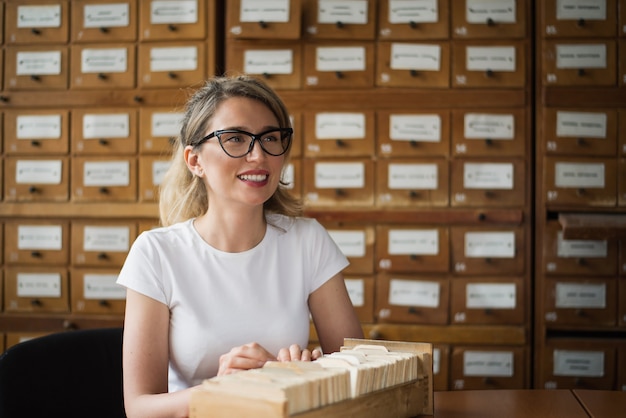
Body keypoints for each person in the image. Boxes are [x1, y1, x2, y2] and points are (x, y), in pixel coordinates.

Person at [116, 74, 364, 418]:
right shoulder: (156, 253)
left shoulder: (308, 241)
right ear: (194, 161)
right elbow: (140, 408)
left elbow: (364, 375)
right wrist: (225, 392)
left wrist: (307, 375)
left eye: (270, 138)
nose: (258, 154)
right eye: (235, 138)